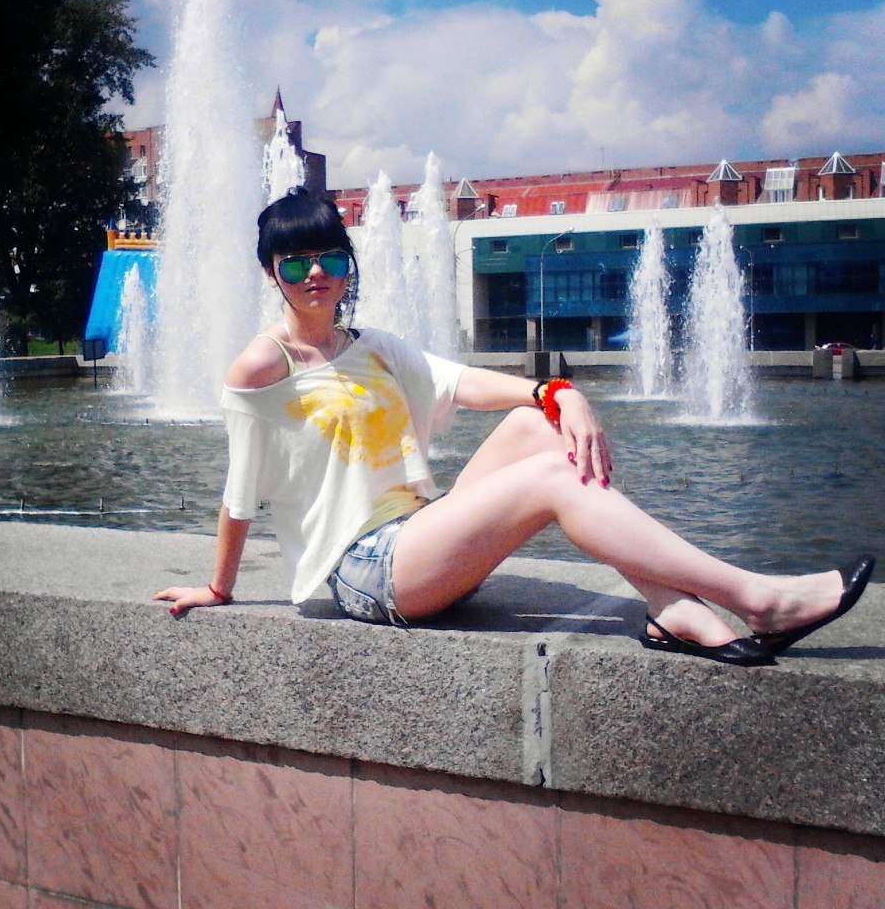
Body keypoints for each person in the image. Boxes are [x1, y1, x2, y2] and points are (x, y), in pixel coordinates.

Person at [153, 188, 875, 666]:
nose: (317, 274)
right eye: (296, 263)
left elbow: (464, 384)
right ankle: (758, 599)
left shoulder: (371, 346)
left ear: (349, 264)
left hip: (419, 536)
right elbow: (239, 492)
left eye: (331, 258)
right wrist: (218, 588)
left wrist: (557, 392)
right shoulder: (262, 366)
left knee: (538, 425)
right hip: (367, 572)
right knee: (552, 478)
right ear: (271, 273)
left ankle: (669, 608)